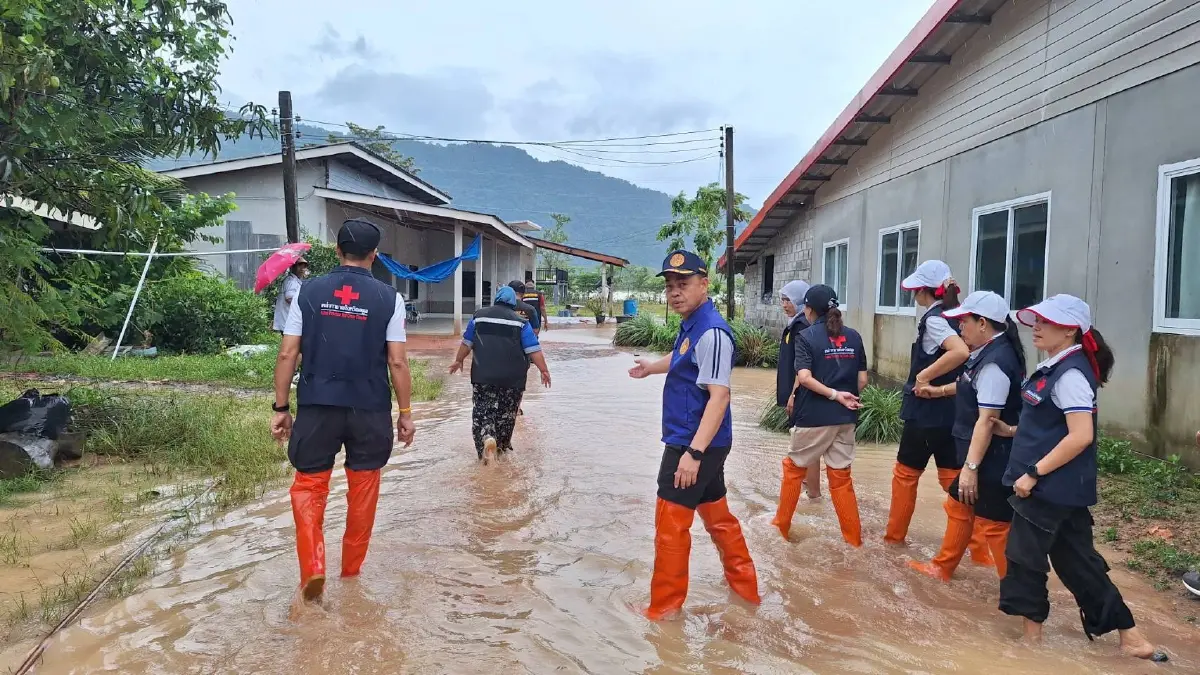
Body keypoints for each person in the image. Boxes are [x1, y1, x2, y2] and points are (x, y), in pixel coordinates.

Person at [995, 294, 1164, 661]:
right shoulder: (1058, 366)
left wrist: (1033, 473)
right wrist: (1012, 431)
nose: (1036, 327)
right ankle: (1131, 638)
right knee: (1078, 562)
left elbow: (1080, 435)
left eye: (1046, 322)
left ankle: (1031, 645)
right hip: (1063, 489)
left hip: (1046, 488)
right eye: (1035, 320)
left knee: (1025, 559)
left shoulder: (1070, 374)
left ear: (1070, 330)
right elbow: (1051, 423)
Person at [271, 218, 415, 603]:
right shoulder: (390, 298)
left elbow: (288, 352)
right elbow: (397, 363)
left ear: (336, 251)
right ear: (375, 255)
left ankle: (313, 569)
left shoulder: (309, 291)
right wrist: (405, 412)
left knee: (309, 487)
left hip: (318, 406)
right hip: (369, 409)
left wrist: (281, 407)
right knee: (363, 492)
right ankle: (350, 574)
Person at [628, 250, 759, 620]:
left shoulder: (714, 333)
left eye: (683, 284)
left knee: (670, 526)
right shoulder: (693, 326)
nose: (674, 292)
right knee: (718, 517)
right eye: (670, 285)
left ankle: (663, 613)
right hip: (700, 441)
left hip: (694, 443)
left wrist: (694, 454)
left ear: (705, 284)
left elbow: (720, 397)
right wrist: (652, 367)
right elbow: (683, 357)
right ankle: (746, 593)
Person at [907, 291, 1024, 581]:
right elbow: (969, 387)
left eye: (964, 322)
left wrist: (970, 469)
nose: (961, 328)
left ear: (983, 323)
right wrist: (936, 391)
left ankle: (1021, 594)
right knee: (959, 504)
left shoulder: (996, 363)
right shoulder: (985, 355)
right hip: (984, 452)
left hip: (993, 457)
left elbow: (987, 421)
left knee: (995, 526)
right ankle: (943, 567)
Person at [884, 260, 991, 567]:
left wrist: (923, 378)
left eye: (916, 289)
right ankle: (980, 552)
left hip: (926, 412)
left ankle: (893, 541)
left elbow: (959, 351)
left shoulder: (934, 319)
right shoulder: (958, 316)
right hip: (954, 412)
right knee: (955, 481)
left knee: (905, 475)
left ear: (923, 290)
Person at [772, 284, 868, 546]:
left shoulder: (806, 336)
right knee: (840, 478)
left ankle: (780, 529)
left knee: (793, 470)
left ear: (809, 309)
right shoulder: (855, 337)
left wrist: (833, 395)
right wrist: (843, 396)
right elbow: (862, 380)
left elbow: (804, 378)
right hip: (846, 418)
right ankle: (853, 541)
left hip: (814, 415)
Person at [450, 286, 552, 463]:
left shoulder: (479, 317)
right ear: (513, 303)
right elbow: (533, 349)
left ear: (496, 299)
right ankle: (501, 449)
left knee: (483, 411)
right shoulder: (520, 322)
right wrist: (544, 370)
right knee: (506, 415)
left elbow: (467, 342)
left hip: (483, 376)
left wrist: (459, 360)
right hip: (513, 379)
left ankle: (487, 438)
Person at [775, 279, 821, 500]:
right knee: (803, 444)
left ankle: (813, 493)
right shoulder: (796, 322)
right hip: (799, 392)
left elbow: (802, 365)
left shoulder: (802, 325)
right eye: (782, 300)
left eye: (788, 300)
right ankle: (807, 486)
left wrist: (793, 394)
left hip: (802, 393)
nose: (784, 304)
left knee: (807, 446)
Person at [273, 257, 309, 333]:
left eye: (304, 267)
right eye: (300, 266)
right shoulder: (291, 281)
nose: (302, 269)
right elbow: (289, 298)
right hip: (288, 320)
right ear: (293, 267)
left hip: (287, 321)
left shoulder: (295, 280)